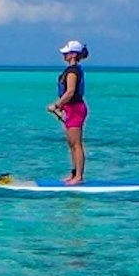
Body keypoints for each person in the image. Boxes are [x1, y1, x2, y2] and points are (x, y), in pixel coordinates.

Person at [51, 38, 90, 185]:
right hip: (70, 109)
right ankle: (74, 174)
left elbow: (70, 91)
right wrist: (61, 106)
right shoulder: (71, 70)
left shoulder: (73, 71)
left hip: (75, 109)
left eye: (66, 53)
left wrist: (57, 105)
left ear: (73, 54)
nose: (64, 55)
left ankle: (79, 177)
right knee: (71, 144)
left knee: (76, 144)